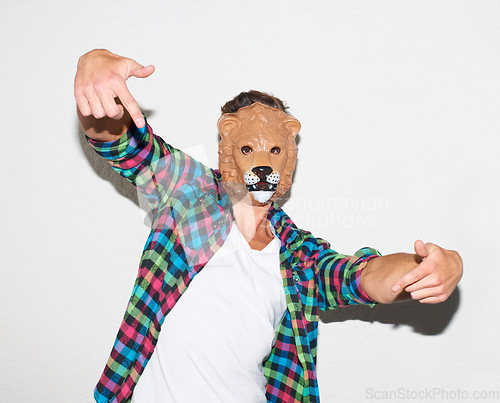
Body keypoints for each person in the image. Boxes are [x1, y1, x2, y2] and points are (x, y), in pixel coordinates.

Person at [75, 49, 463, 403]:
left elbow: (364, 277)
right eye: (247, 149)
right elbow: (126, 146)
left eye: (274, 150)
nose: (262, 162)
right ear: (227, 143)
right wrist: (93, 70)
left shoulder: (298, 255)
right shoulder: (187, 193)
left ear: (288, 156)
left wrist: (429, 267)